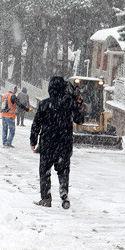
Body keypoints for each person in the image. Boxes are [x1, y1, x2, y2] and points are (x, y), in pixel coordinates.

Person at [29, 76, 85, 209]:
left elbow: (36, 124)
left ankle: (46, 198)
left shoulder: (44, 104)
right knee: (63, 170)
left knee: (45, 171)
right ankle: (64, 189)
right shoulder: (70, 104)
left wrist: (33, 140)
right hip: (64, 144)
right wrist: (78, 104)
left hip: (47, 144)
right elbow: (80, 120)